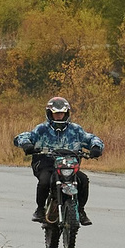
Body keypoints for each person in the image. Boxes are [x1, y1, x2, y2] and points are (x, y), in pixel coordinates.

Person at [15, 96, 102, 224]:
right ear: (50, 114)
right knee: (44, 181)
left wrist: (96, 147)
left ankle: (81, 211)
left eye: (62, 113)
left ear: (67, 113)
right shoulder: (42, 129)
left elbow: (91, 138)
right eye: (56, 114)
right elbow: (22, 137)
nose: (59, 116)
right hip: (47, 164)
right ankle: (40, 209)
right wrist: (27, 145)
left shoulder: (75, 130)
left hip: (69, 166)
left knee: (83, 180)